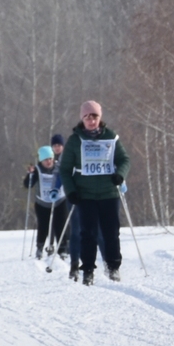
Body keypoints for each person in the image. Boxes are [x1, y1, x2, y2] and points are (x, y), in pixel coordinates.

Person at [58, 101, 130, 285]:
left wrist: (120, 175)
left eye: (94, 117)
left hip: (108, 192)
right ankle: (88, 270)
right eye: (87, 117)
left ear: (100, 117)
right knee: (87, 233)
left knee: (111, 232)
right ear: (82, 119)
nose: (91, 121)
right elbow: (65, 169)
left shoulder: (110, 137)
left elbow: (124, 159)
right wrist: (71, 190)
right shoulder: (75, 140)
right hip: (85, 194)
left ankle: (113, 267)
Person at [24, 145, 68, 258]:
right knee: (43, 225)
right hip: (42, 203)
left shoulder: (59, 167)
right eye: (45, 159)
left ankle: (63, 248)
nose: (48, 162)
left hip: (59, 201)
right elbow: (27, 185)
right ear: (41, 160)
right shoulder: (37, 170)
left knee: (60, 225)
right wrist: (30, 175)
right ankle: (40, 247)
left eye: (50, 159)